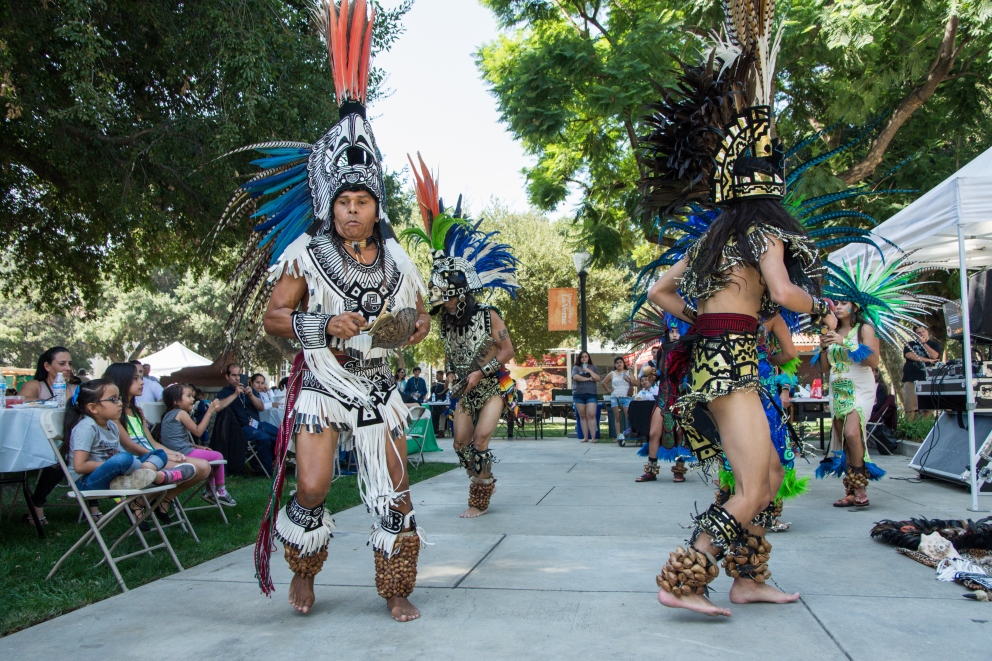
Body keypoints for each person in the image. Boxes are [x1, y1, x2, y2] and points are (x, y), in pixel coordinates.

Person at [218, 3, 432, 620]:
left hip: (377, 389)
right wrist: (324, 324)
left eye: (363, 201)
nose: (352, 211)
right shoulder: (305, 256)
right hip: (319, 386)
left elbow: (417, 318)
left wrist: (411, 326)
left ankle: (395, 587)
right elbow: (273, 320)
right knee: (311, 488)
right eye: (344, 202)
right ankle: (304, 571)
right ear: (329, 205)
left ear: (375, 206)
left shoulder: (397, 258)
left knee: (393, 492)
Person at [642, 19, 832, 613]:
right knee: (751, 486)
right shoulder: (768, 230)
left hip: (722, 359)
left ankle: (747, 578)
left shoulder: (716, 241)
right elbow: (783, 289)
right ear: (773, 191)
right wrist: (825, 306)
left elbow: (659, 292)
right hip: (729, 367)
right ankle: (686, 581)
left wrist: (706, 321)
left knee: (771, 475)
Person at [401, 156, 519, 518]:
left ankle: (479, 498)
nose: (440, 298)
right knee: (460, 444)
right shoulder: (446, 322)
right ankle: (482, 478)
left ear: (458, 291)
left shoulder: (488, 313)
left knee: (481, 440)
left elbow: (508, 349)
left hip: (494, 385)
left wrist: (480, 373)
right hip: (465, 389)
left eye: (444, 292)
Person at [814, 252, 941, 507]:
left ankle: (861, 489)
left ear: (856, 306)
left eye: (842, 303)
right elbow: (826, 370)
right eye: (835, 303)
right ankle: (850, 490)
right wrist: (823, 347)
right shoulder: (832, 331)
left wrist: (844, 343)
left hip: (861, 386)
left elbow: (872, 361)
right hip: (837, 388)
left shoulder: (865, 329)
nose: (837, 307)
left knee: (852, 432)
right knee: (843, 439)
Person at [62, 380, 195, 510]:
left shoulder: (111, 426)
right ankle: (158, 476)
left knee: (159, 454)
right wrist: (117, 465)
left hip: (115, 478)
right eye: (113, 399)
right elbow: (79, 466)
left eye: (119, 398)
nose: (120, 403)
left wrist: (121, 466)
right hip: (86, 482)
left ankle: (140, 475)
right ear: (93, 408)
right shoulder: (86, 427)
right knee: (123, 459)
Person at [103, 362, 210, 522]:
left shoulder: (137, 411)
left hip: (153, 455)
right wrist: (164, 456)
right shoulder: (115, 413)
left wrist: (171, 453)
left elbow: (151, 441)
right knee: (197, 467)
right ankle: (140, 502)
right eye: (136, 378)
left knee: (204, 468)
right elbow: (129, 446)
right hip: (136, 460)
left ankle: (160, 500)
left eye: (141, 377)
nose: (142, 382)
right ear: (122, 381)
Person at [160, 383, 239, 506]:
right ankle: (220, 490)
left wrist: (197, 447)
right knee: (218, 456)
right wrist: (209, 411)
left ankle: (210, 490)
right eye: (189, 396)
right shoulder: (181, 413)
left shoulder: (169, 415)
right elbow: (198, 432)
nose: (193, 399)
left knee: (209, 454)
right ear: (176, 401)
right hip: (182, 453)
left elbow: (178, 439)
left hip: (177, 451)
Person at [216, 363, 276, 475]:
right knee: (264, 438)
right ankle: (266, 470)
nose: (237, 378)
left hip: (257, 424)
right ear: (227, 376)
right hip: (241, 428)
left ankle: (272, 463)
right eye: (234, 375)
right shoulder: (224, 392)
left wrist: (251, 396)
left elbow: (261, 407)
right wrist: (235, 394)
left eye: (239, 375)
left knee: (280, 434)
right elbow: (217, 407)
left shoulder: (250, 390)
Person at [902, 324, 942, 421]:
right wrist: (927, 360)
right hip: (911, 378)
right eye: (919, 333)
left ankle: (925, 431)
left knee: (928, 408)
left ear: (927, 332)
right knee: (910, 408)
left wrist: (924, 343)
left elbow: (934, 356)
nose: (922, 334)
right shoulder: (909, 344)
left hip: (928, 379)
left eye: (923, 331)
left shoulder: (934, 345)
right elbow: (910, 355)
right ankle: (909, 430)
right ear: (915, 335)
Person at [571, 350, 601, 443]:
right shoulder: (576, 367)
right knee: (583, 416)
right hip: (578, 394)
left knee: (591, 415)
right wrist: (588, 378)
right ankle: (585, 437)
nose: (584, 358)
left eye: (586, 356)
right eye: (582, 357)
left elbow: (597, 378)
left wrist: (588, 370)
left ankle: (593, 437)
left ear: (588, 358)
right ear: (579, 359)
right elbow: (576, 377)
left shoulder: (593, 367)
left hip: (591, 394)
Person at [604, 357, 634, 441]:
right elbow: (604, 382)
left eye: (620, 362)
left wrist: (628, 380)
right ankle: (618, 436)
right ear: (615, 364)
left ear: (623, 363)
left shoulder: (628, 372)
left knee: (629, 417)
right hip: (615, 397)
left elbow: (636, 383)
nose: (619, 364)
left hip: (626, 397)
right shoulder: (612, 373)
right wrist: (609, 390)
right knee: (617, 418)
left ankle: (631, 434)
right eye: (617, 362)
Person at [871, 368, 898, 432]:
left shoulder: (880, 386)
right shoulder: (866, 386)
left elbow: (879, 404)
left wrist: (867, 409)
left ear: (876, 373)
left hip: (873, 412)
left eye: (871, 371)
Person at [430, 370, 449, 437]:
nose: (436, 377)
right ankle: (435, 430)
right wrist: (433, 387)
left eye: (437, 375)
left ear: (441, 375)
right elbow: (433, 393)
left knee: (442, 414)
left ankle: (441, 431)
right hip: (436, 404)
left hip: (442, 403)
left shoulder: (444, 383)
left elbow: (444, 392)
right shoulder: (437, 384)